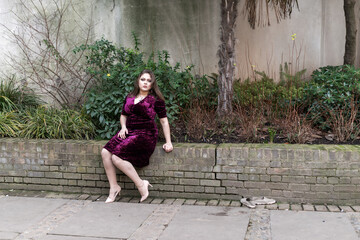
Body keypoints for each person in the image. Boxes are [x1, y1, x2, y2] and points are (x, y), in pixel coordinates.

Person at [101, 69, 173, 203]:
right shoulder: (129, 97)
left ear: (152, 84)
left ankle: (141, 184)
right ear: (138, 81)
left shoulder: (156, 100)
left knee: (117, 157)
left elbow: (163, 120)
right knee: (105, 152)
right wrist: (123, 127)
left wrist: (168, 141)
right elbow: (123, 116)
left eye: (149, 81)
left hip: (146, 134)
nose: (145, 83)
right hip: (129, 131)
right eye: (143, 79)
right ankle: (114, 187)